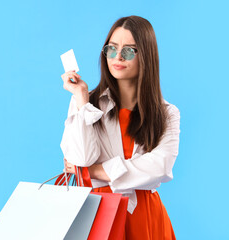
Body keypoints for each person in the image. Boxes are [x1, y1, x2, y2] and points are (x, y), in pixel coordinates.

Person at [60, 15, 180, 239]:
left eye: (129, 51)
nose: (117, 57)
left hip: (146, 216)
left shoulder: (167, 113)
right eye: (111, 49)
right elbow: (82, 158)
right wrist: (81, 99)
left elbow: (160, 167)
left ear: (146, 55)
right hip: (99, 213)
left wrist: (94, 172)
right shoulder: (86, 102)